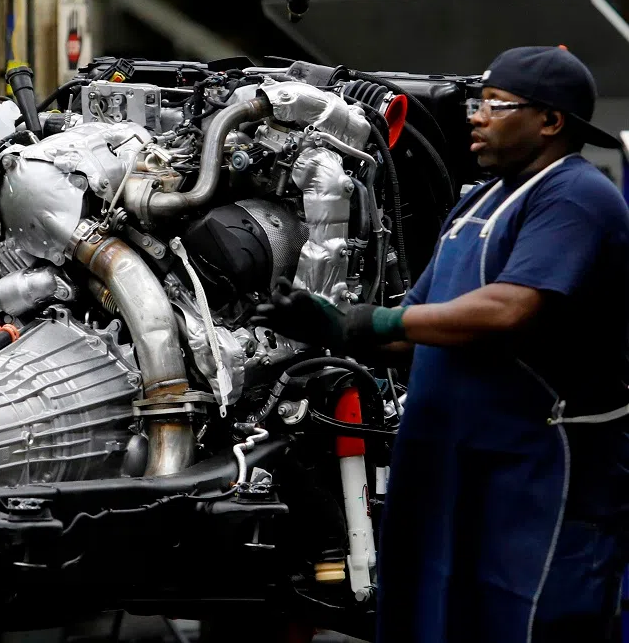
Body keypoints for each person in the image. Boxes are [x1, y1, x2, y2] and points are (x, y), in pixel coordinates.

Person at [253, 46, 629, 642]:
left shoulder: (575, 197)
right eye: (477, 103)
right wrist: (327, 324)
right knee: (430, 614)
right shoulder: (477, 199)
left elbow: (509, 309)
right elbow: (417, 323)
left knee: (526, 617)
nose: (476, 117)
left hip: (531, 468)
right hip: (449, 463)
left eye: (497, 106)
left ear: (551, 121)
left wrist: (370, 322)